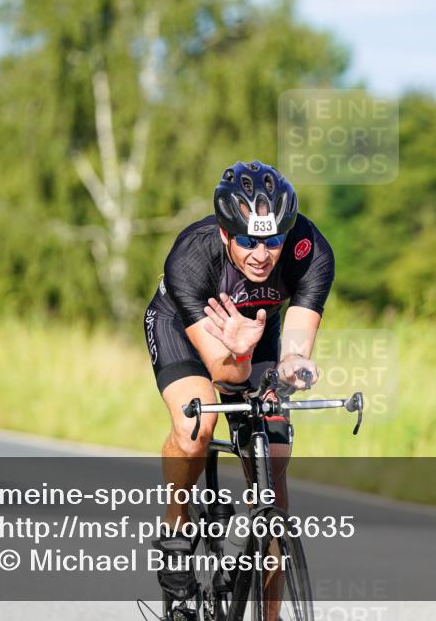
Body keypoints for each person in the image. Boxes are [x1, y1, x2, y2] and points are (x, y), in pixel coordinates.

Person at [143, 160, 334, 618]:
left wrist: (293, 368)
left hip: (257, 331)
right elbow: (225, 373)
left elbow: (295, 350)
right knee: (198, 425)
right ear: (226, 233)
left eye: (272, 240)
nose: (261, 254)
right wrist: (240, 356)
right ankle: (177, 525)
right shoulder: (191, 256)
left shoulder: (311, 252)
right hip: (188, 329)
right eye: (247, 240)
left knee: (274, 471)